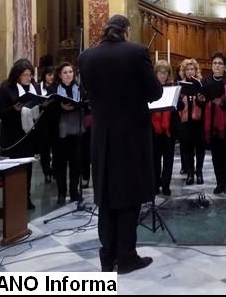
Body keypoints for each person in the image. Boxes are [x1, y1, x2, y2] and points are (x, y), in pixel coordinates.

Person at [77, 15, 163, 274]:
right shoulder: (136, 52)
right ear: (126, 31)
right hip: (131, 136)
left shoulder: (86, 57)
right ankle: (126, 257)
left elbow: (87, 93)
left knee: (106, 195)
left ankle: (107, 257)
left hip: (101, 136)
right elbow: (155, 93)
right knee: (129, 194)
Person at [0, 58, 45, 210]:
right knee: (14, 168)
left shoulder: (34, 87)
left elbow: (38, 106)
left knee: (28, 167)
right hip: (14, 134)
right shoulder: (6, 87)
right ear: (17, 75)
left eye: (30, 75)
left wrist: (44, 105)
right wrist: (13, 110)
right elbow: (1, 112)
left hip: (30, 134)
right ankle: (13, 198)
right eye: (25, 75)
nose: (28, 78)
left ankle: (26, 197)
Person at [202, 51, 226, 194]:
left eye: (220, 64)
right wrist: (202, 101)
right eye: (215, 63)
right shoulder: (206, 82)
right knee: (216, 156)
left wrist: (222, 102)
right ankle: (219, 183)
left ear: (225, 66)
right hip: (212, 124)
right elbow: (203, 101)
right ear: (211, 66)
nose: (217, 66)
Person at [53, 62, 84, 205]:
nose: (68, 75)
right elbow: (49, 111)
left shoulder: (80, 88)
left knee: (76, 164)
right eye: (65, 72)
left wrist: (81, 104)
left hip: (76, 131)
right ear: (59, 75)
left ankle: (74, 191)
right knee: (60, 165)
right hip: (60, 133)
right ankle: (61, 192)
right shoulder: (54, 90)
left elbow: (85, 104)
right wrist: (60, 107)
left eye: (70, 72)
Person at [151, 60, 180, 196]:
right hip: (154, 130)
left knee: (168, 159)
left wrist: (177, 101)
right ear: (155, 73)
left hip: (169, 130)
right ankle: (156, 184)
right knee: (155, 159)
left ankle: (166, 184)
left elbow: (180, 107)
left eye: (165, 73)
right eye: (160, 72)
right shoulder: (150, 89)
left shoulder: (172, 88)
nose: (163, 75)